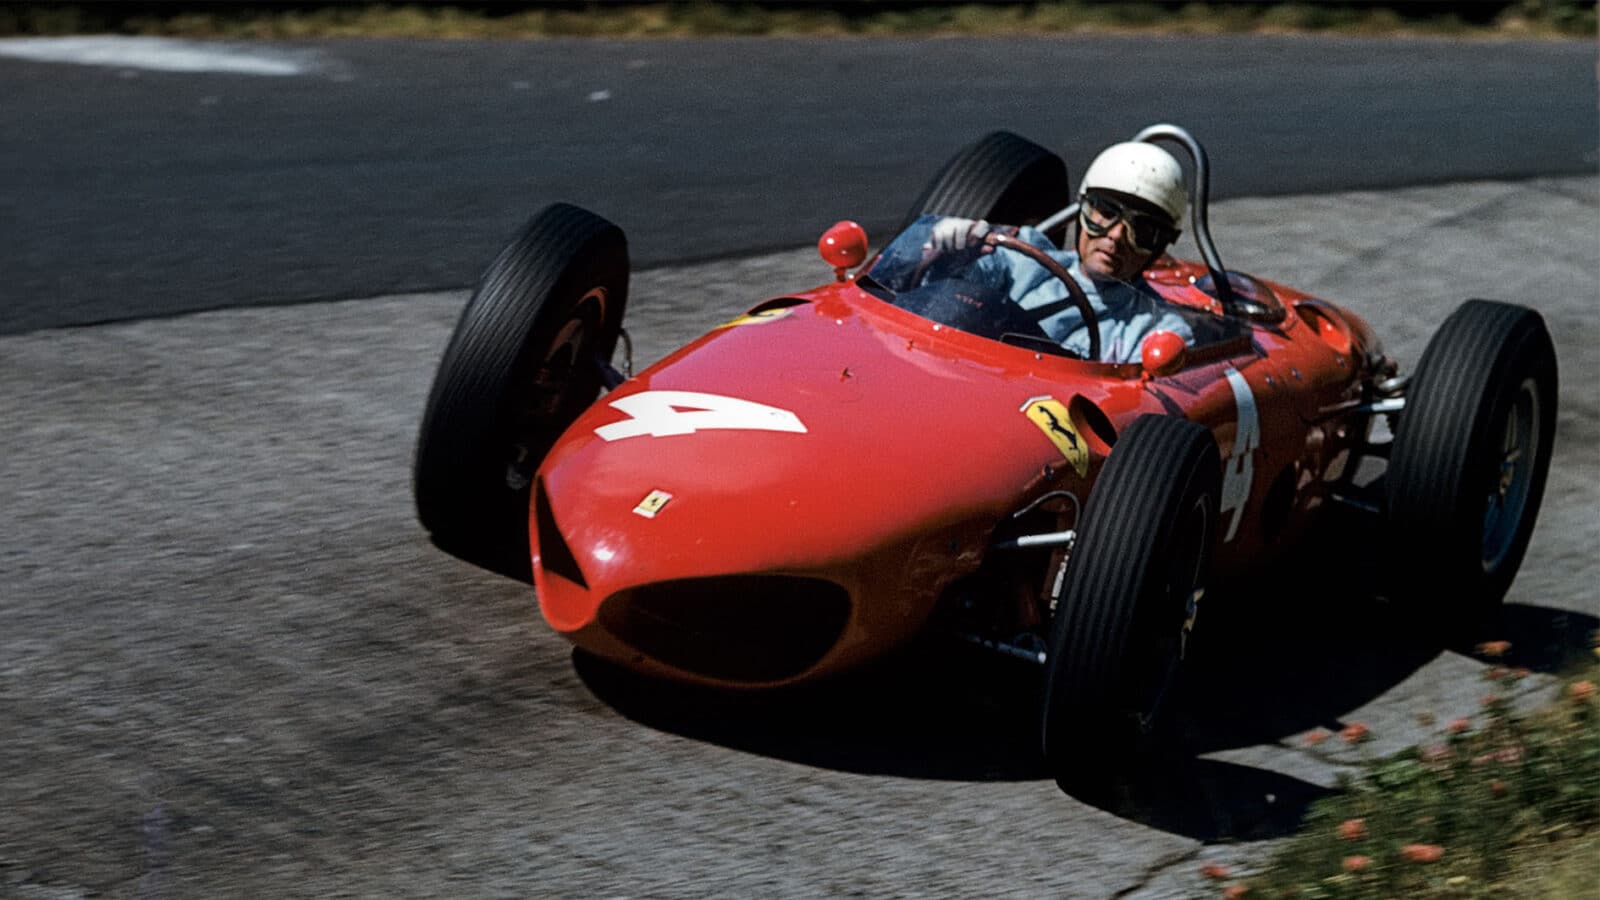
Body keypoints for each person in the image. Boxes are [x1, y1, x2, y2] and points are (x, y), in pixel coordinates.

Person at [925, 141, 1197, 363]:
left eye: (1143, 230)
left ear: (1161, 245)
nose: (1115, 236)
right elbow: (938, 296)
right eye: (1104, 212)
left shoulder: (1156, 330)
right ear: (1081, 210)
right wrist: (945, 253)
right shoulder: (1022, 259)